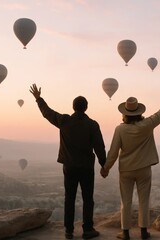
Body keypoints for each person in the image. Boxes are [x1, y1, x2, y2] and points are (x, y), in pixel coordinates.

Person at [100, 78, 160, 240]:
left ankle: (125, 233)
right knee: (144, 201)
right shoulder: (147, 124)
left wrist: (106, 168)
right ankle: (143, 232)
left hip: (126, 169)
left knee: (125, 202)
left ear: (124, 114)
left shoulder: (120, 129)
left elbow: (113, 151)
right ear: (139, 112)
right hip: (144, 168)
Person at [30, 84, 106, 240]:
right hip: (86, 167)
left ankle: (69, 231)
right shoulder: (92, 124)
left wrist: (38, 98)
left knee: (69, 198)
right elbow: (99, 147)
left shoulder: (64, 121)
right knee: (88, 199)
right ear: (86, 108)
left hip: (69, 166)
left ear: (73, 107)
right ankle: (87, 229)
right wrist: (104, 165)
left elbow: (47, 113)